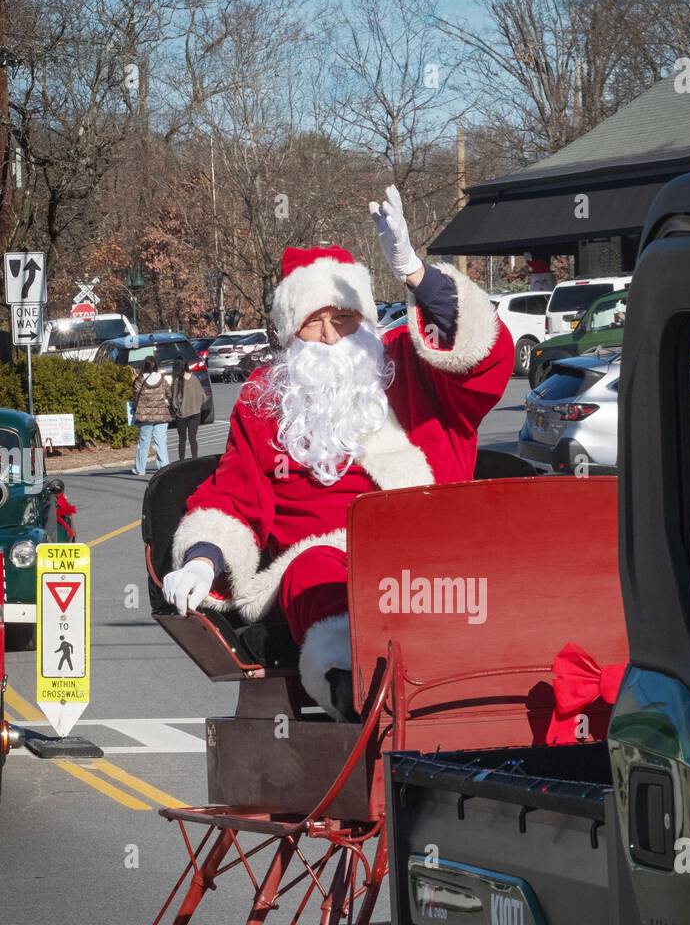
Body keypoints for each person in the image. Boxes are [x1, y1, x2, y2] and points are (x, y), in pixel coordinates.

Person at [161, 185, 514, 719]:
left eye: (343, 319)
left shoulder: (408, 369)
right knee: (317, 570)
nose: (329, 337)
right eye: (312, 322)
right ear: (288, 331)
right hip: (319, 564)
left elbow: (480, 357)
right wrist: (202, 561)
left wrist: (417, 274)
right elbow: (234, 497)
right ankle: (356, 689)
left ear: (366, 320)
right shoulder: (263, 399)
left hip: (422, 548)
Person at [131, 356, 170, 475]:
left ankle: (140, 469)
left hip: (145, 415)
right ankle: (164, 468)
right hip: (161, 414)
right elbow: (169, 393)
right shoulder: (162, 378)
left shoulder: (140, 379)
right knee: (161, 442)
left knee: (144, 442)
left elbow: (135, 394)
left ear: (145, 365)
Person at [171, 358, 205, 461]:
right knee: (192, 438)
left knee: (182, 439)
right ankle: (195, 459)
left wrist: (177, 408)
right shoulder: (194, 378)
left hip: (182, 414)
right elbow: (203, 396)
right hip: (195, 412)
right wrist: (197, 405)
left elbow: (175, 400)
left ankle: (181, 461)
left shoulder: (177, 380)